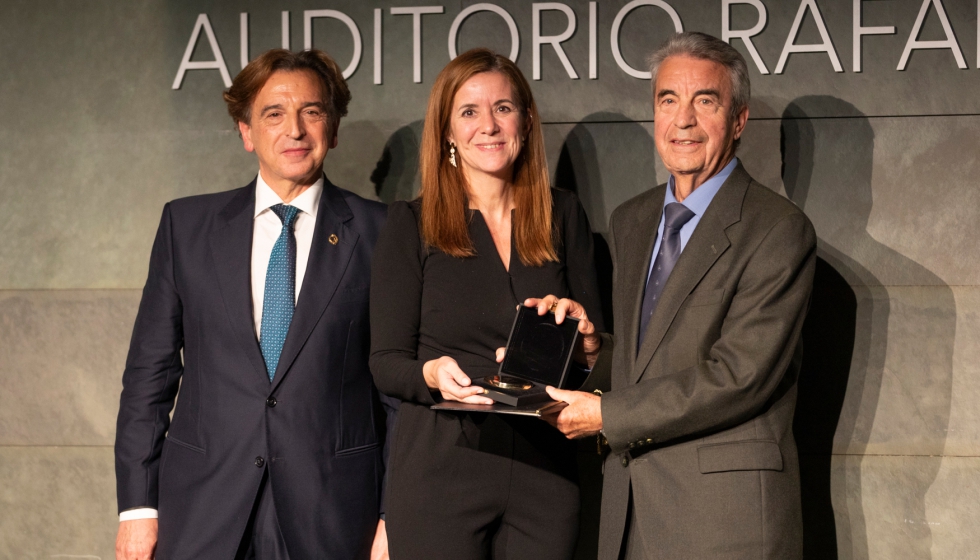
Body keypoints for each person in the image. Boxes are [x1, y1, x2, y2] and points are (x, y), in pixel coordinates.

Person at [536, 32, 817, 559]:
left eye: (704, 101)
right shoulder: (632, 219)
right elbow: (653, 358)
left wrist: (607, 415)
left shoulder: (778, 230)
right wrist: (598, 354)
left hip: (724, 521)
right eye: (668, 100)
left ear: (738, 120)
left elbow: (741, 375)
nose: (682, 120)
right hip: (630, 513)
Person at [114, 49, 395, 560]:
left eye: (312, 112)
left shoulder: (383, 233)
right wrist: (137, 509)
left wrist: (392, 515)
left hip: (333, 513)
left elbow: (397, 394)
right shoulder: (187, 227)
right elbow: (149, 380)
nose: (295, 130)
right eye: (274, 113)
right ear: (246, 132)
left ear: (332, 128)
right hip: (204, 508)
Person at [369, 48, 604, 560]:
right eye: (469, 111)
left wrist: (587, 347)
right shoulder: (412, 224)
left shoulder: (563, 214)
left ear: (526, 118)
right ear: (447, 131)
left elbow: (598, 358)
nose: (489, 125)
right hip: (441, 466)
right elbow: (385, 363)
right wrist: (432, 373)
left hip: (546, 469)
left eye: (503, 107)